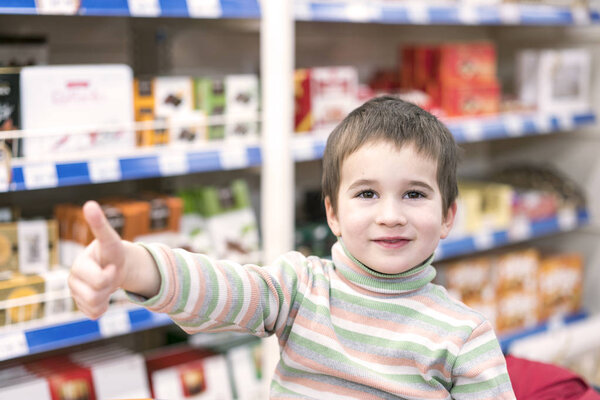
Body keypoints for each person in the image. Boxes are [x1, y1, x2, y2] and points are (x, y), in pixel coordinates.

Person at [69, 96, 516, 399]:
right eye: (366, 194)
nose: (390, 215)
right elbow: (224, 288)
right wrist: (135, 265)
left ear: (448, 216)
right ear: (332, 214)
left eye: (414, 194)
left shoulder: (464, 337)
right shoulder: (300, 288)